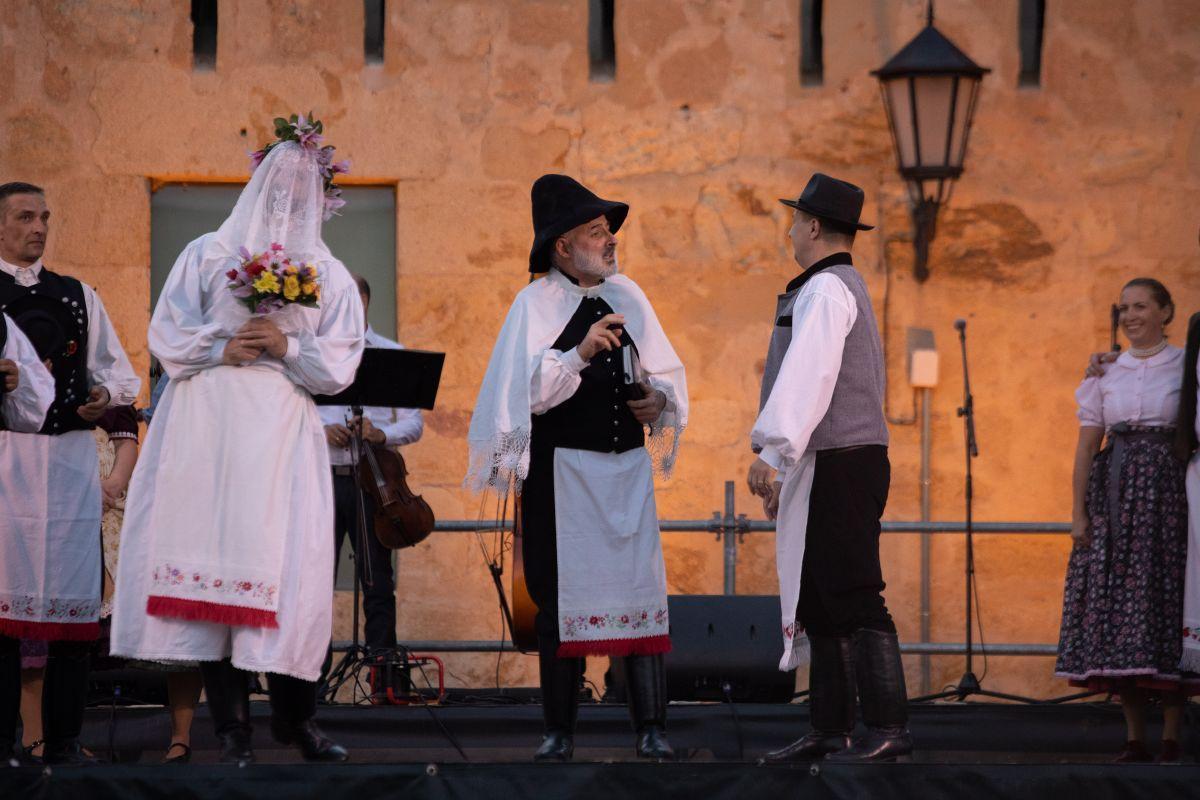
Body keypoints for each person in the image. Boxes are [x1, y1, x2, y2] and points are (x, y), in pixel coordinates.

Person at [109, 125, 365, 765]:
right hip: (209, 422)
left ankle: (295, 720)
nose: (286, 198)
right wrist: (218, 347)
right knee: (217, 569)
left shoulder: (327, 273)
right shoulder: (205, 253)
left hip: (279, 428)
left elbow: (341, 363)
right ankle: (230, 731)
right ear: (256, 183)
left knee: (285, 572)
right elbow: (166, 331)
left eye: (302, 188)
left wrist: (289, 346)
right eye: (277, 184)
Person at [466, 174, 688, 762]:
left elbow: (668, 375)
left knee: (639, 593)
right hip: (562, 480)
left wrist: (658, 402)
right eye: (596, 231)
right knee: (556, 601)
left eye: (610, 230)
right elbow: (521, 396)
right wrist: (580, 351)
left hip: (626, 475)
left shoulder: (631, 297)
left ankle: (651, 727)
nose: (611, 239)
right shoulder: (533, 304)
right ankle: (559, 731)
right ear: (562, 246)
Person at [750, 174, 910, 763]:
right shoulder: (839, 286)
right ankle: (832, 728)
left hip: (842, 461)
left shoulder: (824, 291)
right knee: (822, 598)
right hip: (833, 461)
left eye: (795, 220)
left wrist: (773, 453)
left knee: (854, 592)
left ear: (814, 227)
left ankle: (890, 727)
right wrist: (791, 466)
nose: (790, 229)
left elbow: (809, 376)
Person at [0, 181, 140, 765]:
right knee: (2, 616)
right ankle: (6, 749)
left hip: (71, 463)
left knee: (75, 610)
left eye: (45, 217)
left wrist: (101, 393)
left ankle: (63, 741)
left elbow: (116, 374)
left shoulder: (79, 294)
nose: (39, 227)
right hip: (7, 462)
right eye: (26, 217)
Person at [1058, 278, 1197, 763]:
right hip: (1114, 496)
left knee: (1168, 601)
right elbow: (1085, 445)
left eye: (1141, 306)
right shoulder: (1104, 371)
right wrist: (1078, 513)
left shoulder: (1187, 365)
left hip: (1169, 497)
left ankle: (1173, 736)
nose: (1131, 315)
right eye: (1124, 308)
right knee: (1120, 610)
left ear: (1166, 311)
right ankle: (1136, 736)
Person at [319, 273, 423, 701]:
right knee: (313, 584)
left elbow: (414, 424)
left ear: (365, 302)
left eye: (352, 304)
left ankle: (382, 681)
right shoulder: (315, 356)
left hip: (373, 485)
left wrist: (379, 434)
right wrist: (324, 431)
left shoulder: (391, 355)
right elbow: (289, 421)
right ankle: (310, 685)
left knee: (377, 582)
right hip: (324, 481)